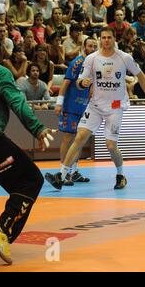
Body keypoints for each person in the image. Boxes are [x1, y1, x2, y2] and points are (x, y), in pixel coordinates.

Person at [45, 27, 145, 190]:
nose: (106, 41)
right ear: (100, 39)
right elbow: (79, 82)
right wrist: (83, 83)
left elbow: (140, 76)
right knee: (80, 137)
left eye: (109, 37)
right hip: (95, 106)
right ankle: (61, 174)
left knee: (110, 145)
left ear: (114, 38)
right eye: (103, 38)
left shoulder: (124, 58)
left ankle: (120, 175)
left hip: (115, 107)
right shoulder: (92, 59)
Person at [0, 35, 56, 265]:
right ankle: (4, 228)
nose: (5, 50)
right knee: (31, 179)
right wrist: (37, 128)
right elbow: (17, 101)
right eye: (2, 45)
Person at [45, 37, 98, 186]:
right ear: (84, 47)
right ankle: (64, 172)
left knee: (79, 140)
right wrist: (59, 103)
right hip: (70, 107)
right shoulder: (77, 63)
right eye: (90, 46)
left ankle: (74, 172)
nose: (93, 49)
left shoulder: (94, 66)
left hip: (84, 108)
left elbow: (92, 88)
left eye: (95, 46)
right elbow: (66, 83)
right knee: (68, 138)